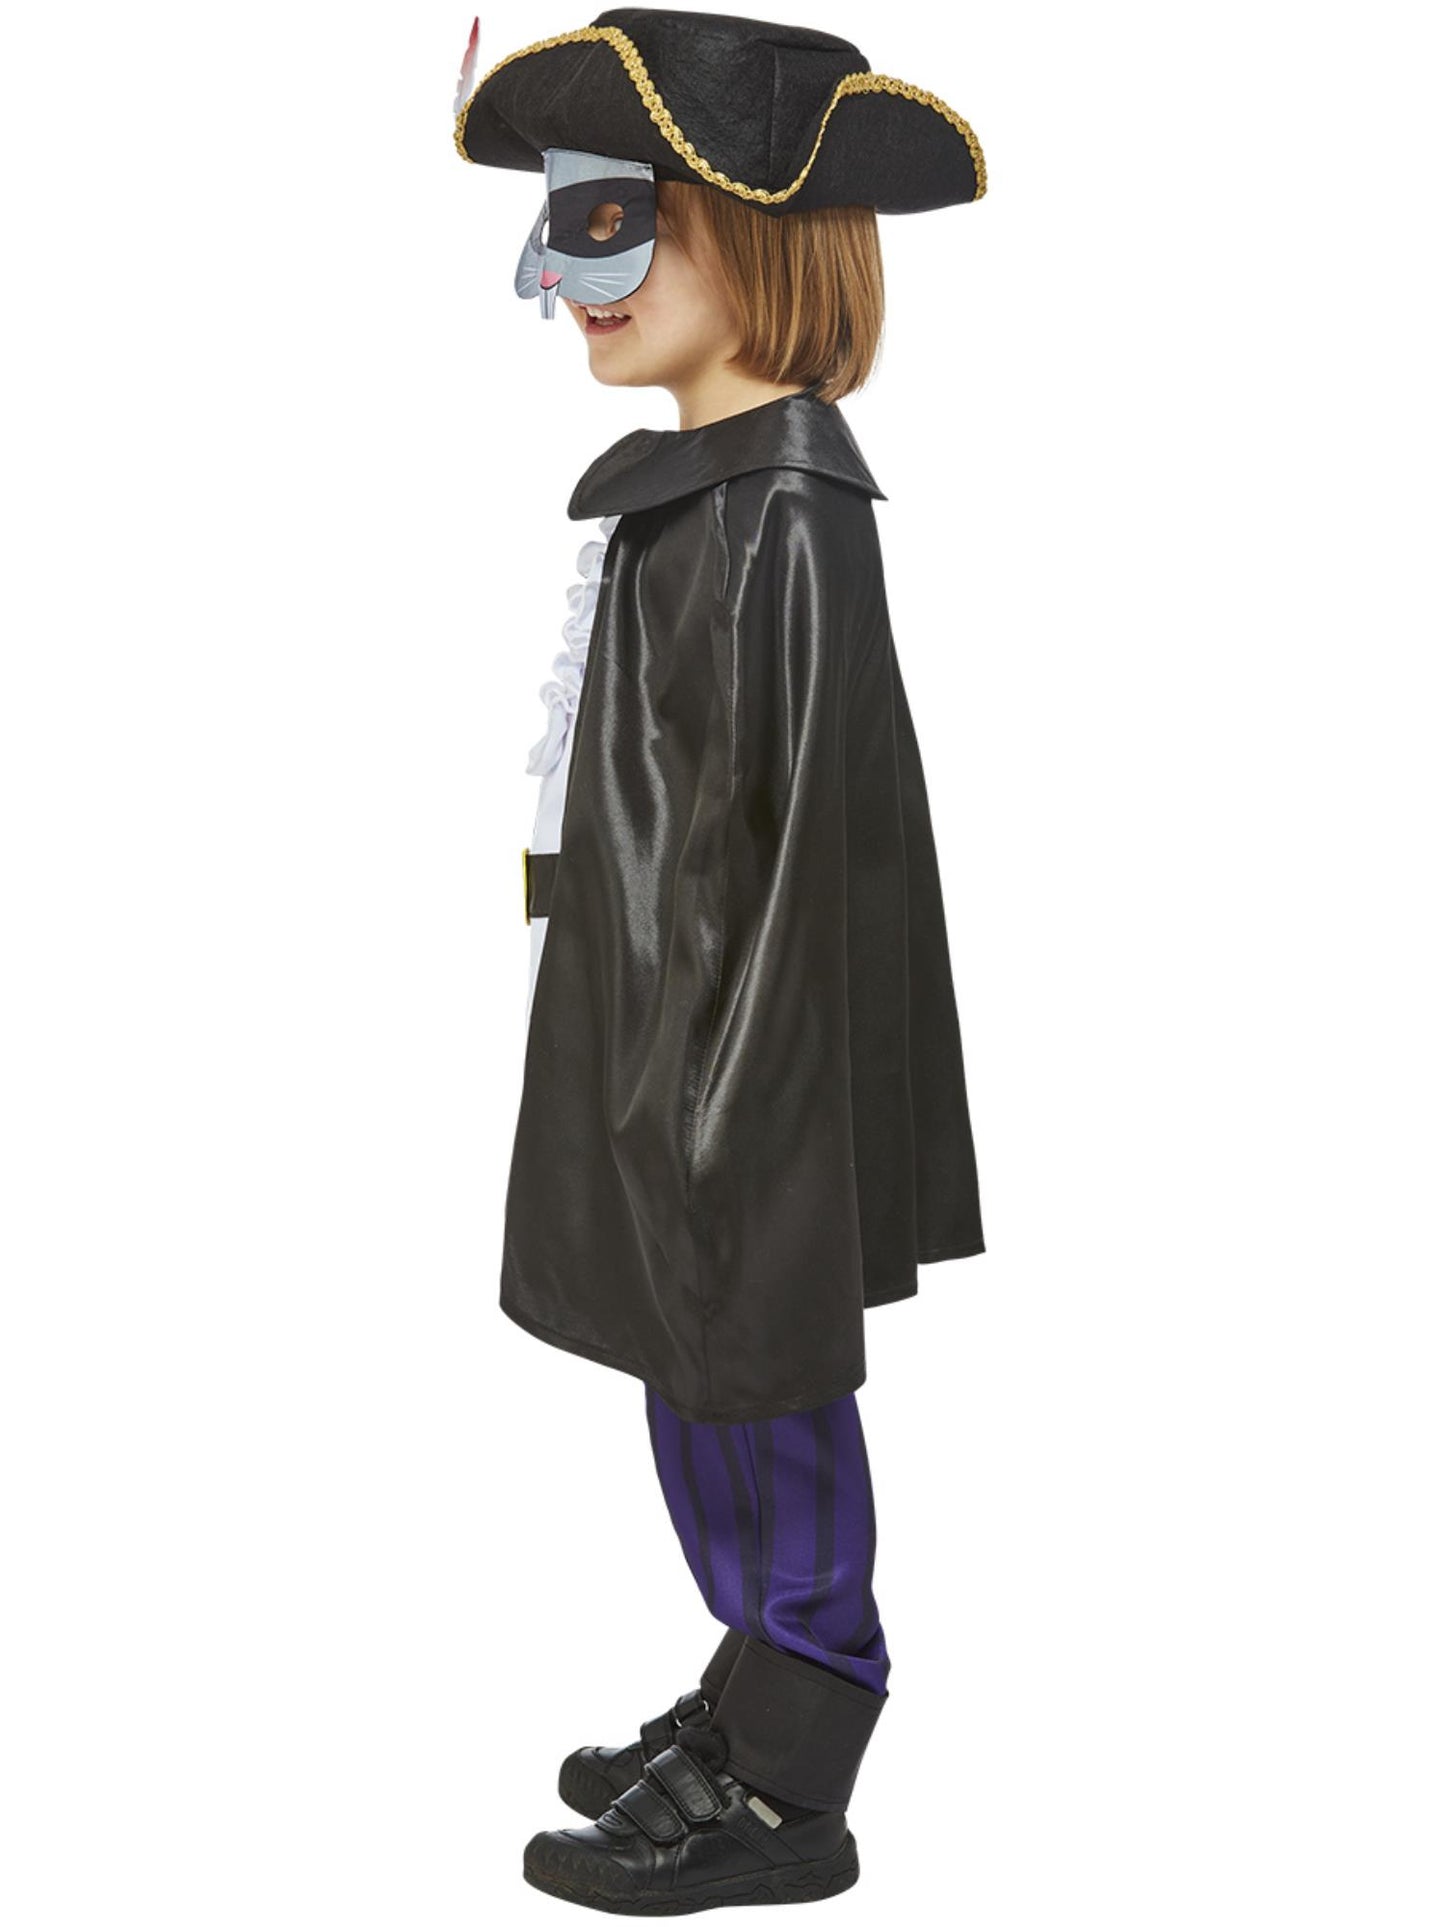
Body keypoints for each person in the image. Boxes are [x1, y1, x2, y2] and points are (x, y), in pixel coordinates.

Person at [454, 10, 988, 1911]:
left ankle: (791, 1774)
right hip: (666, 1051)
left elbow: (807, 846)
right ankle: (753, 1674)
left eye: (607, 223)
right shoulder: (694, 500)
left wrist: (728, 1110)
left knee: (761, 1389)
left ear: (750, 242)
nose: (557, 276)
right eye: (556, 225)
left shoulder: (787, 519)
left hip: (735, 1076)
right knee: (694, 1391)